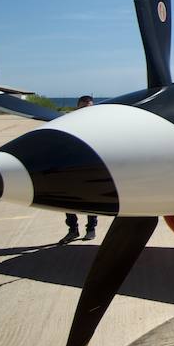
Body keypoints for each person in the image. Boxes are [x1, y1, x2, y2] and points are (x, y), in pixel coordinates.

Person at [61, 95, 99, 243]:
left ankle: (91, 229)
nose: (86, 110)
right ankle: (73, 230)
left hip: (90, 166)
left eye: (89, 107)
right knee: (68, 200)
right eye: (84, 107)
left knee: (92, 199)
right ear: (78, 106)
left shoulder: (96, 123)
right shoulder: (68, 121)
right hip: (71, 167)